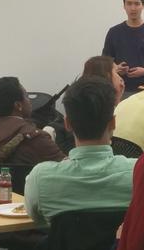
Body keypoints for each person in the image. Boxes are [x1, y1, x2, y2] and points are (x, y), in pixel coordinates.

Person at [25, 76, 136, 226]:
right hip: (120, 249)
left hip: (63, 249)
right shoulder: (139, 174)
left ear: (67, 124)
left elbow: (38, 220)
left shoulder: (40, 178)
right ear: (113, 122)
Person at [0, 76, 65, 171]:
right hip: (20, 188)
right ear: (18, 105)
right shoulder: (34, 136)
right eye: (26, 96)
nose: (29, 101)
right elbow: (66, 167)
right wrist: (50, 136)